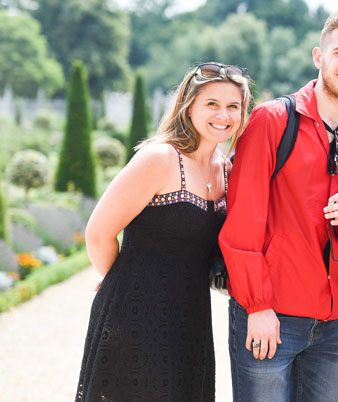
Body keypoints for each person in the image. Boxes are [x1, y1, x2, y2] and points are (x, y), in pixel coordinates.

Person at [218, 10, 338, 402]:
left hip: (335, 323)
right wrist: (257, 307)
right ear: (318, 56)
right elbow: (242, 222)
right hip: (270, 315)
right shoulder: (272, 121)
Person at [76, 62, 251, 401]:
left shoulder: (226, 168)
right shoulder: (159, 158)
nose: (223, 115)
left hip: (190, 317)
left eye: (234, 106)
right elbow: (98, 233)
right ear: (189, 105)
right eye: (212, 104)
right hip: (136, 313)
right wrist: (119, 280)